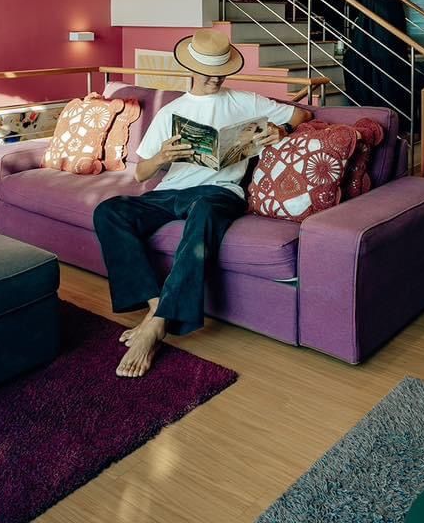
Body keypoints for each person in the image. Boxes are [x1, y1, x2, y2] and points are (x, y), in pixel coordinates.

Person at [93, 29, 311, 378]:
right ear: (191, 71)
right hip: (170, 192)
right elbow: (140, 174)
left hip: (219, 194)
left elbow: (301, 117)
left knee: (204, 213)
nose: (216, 78)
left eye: (221, 72)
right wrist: (162, 156)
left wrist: (280, 132)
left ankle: (158, 324)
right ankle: (156, 306)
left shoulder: (245, 101)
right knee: (109, 211)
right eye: (209, 72)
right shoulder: (171, 112)